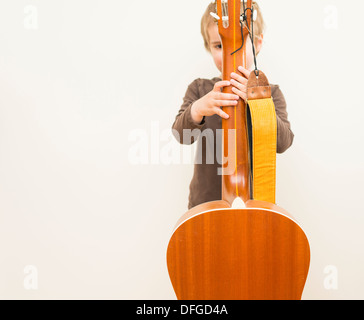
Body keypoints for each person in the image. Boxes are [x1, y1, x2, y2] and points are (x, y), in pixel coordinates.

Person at [172, 1, 294, 210]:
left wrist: (258, 101)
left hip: (256, 206)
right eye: (219, 46)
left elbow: (283, 143)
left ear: (257, 44)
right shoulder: (200, 89)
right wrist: (198, 109)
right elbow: (180, 135)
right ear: (208, 48)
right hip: (205, 206)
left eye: (241, 43)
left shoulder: (271, 93)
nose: (229, 53)